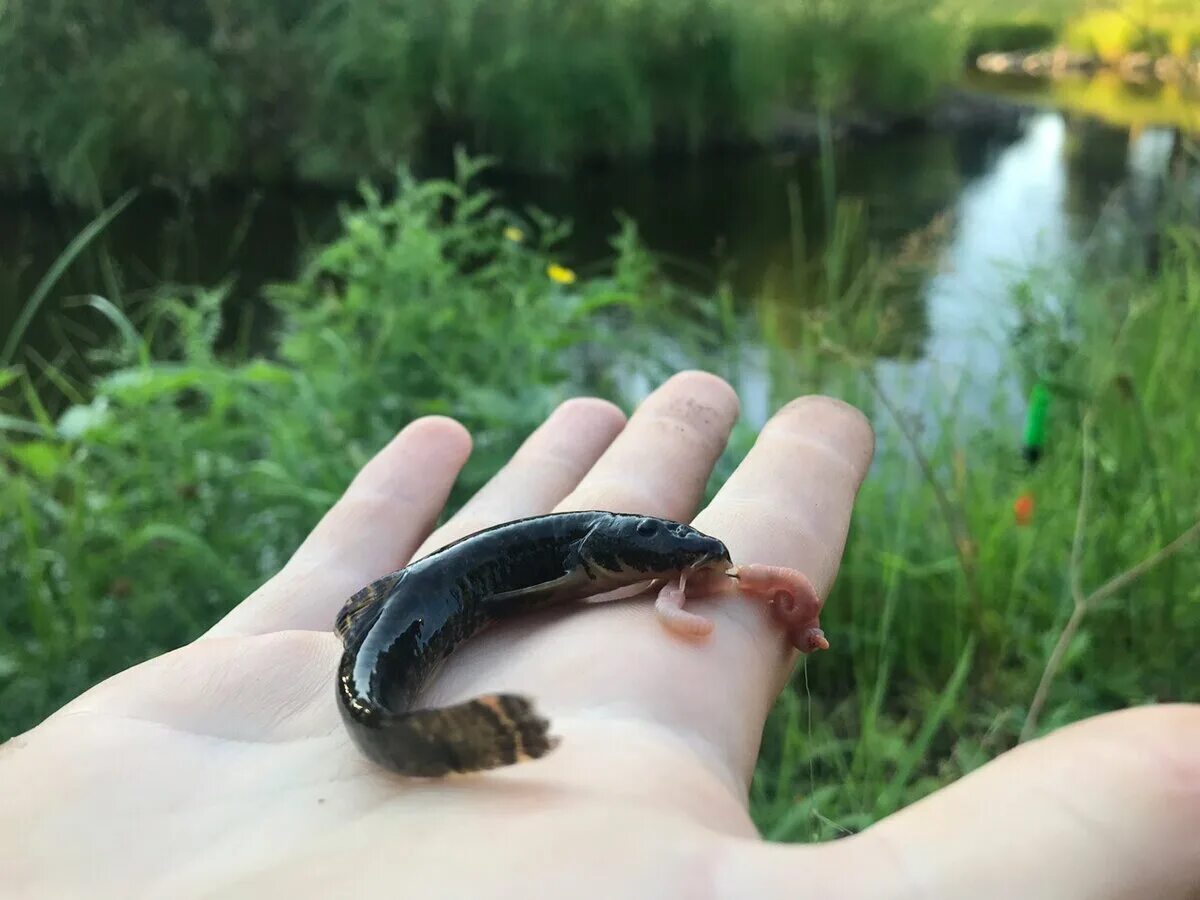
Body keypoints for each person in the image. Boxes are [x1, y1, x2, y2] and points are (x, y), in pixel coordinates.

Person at [3, 371, 1196, 898]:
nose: (686, 567)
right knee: (385, 685)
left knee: (407, 647)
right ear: (597, 561)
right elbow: (569, 570)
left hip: (413, 627)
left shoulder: (590, 559)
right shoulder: (570, 562)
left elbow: (592, 566)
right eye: (654, 558)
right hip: (390, 670)